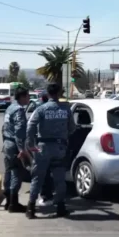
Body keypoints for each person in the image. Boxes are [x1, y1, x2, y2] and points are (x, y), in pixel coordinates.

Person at [25, 83, 75, 218]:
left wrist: (30, 144)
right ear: (59, 93)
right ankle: (60, 207)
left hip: (42, 148)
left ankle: (30, 208)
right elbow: (72, 128)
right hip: (59, 148)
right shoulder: (66, 109)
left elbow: (30, 125)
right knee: (59, 179)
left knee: (37, 178)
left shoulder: (41, 109)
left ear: (47, 94)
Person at [1, 87, 30, 213]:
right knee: (17, 173)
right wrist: (21, 150)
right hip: (14, 145)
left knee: (8, 171)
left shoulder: (10, 108)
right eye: (27, 96)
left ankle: (8, 201)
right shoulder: (19, 110)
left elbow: (4, 127)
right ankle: (13, 203)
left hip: (7, 143)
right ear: (22, 97)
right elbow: (19, 132)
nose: (29, 99)